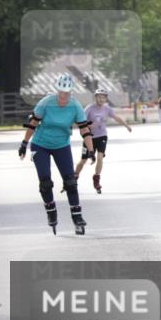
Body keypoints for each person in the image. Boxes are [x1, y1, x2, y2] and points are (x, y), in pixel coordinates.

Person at [18, 73, 95, 235]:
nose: (63, 97)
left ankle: (77, 217)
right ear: (57, 90)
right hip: (40, 145)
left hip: (62, 145)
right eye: (61, 93)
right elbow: (33, 124)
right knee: (45, 181)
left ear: (71, 92)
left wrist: (91, 149)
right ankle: (51, 211)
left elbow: (84, 129)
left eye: (67, 94)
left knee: (70, 181)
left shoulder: (75, 106)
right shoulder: (46, 103)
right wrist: (24, 143)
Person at [73, 88, 132, 194]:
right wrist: (90, 125)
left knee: (100, 158)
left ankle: (96, 179)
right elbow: (80, 122)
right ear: (95, 98)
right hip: (89, 137)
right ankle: (74, 177)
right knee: (83, 160)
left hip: (102, 136)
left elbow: (116, 117)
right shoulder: (90, 108)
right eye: (99, 97)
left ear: (106, 99)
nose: (101, 99)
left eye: (103, 98)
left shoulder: (107, 108)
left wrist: (126, 126)